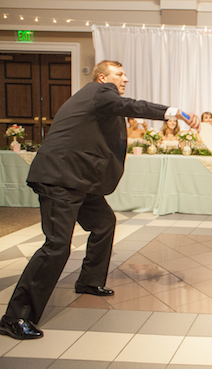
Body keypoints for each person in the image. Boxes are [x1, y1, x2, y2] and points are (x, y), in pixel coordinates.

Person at [0, 60, 198, 340]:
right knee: (57, 246)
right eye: (119, 74)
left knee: (104, 223)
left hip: (80, 180)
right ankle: (15, 317)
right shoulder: (99, 91)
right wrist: (174, 112)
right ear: (103, 77)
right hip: (61, 178)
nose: (125, 79)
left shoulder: (100, 101)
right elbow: (132, 106)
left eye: (125, 74)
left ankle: (89, 281)